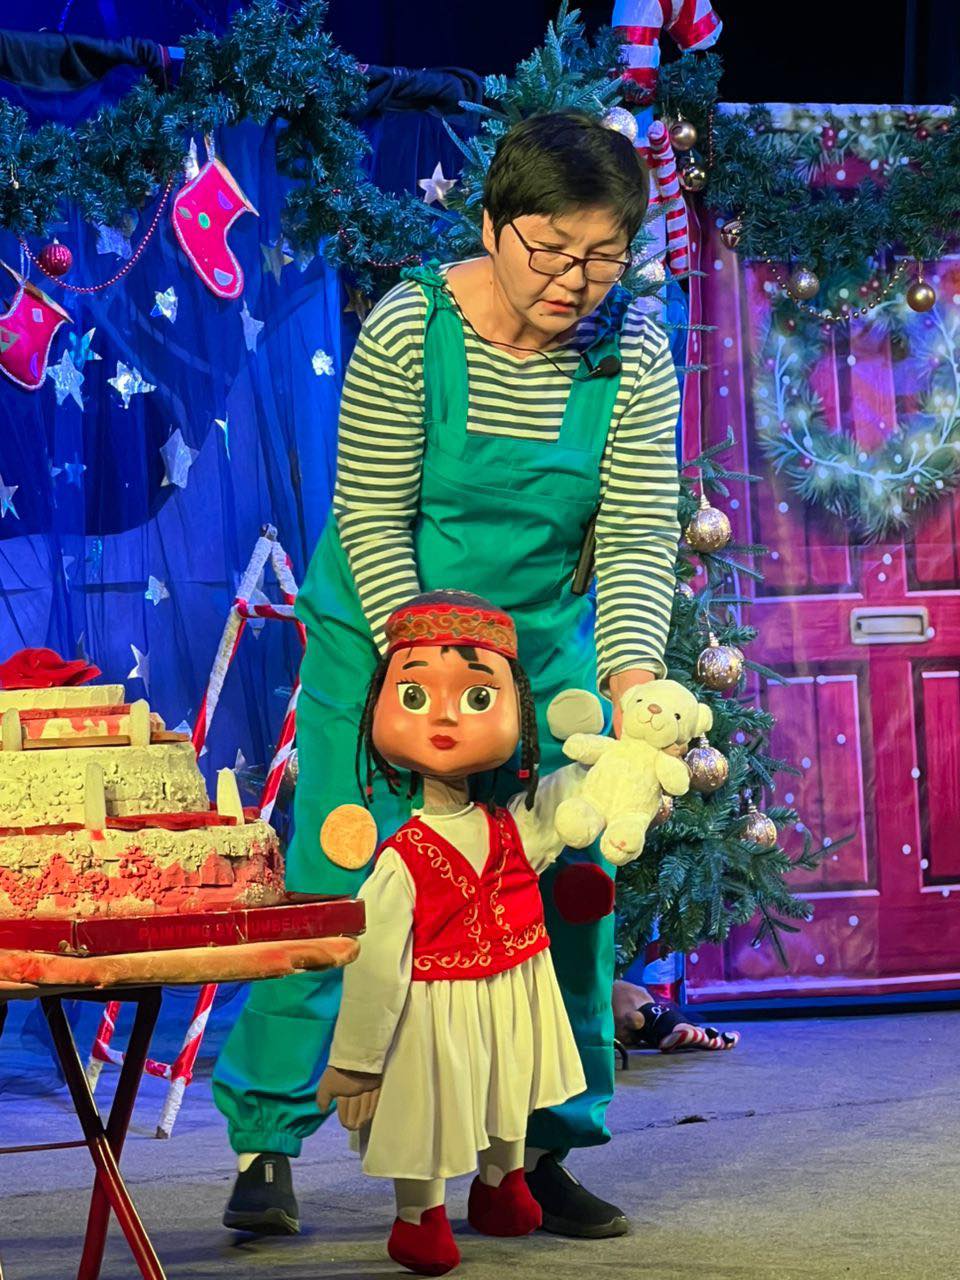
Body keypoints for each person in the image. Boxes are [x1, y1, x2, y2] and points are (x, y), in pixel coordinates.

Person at [213, 109, 681, 1239]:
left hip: (541, 655)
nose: (574, 281)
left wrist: (630, 682)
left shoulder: (633, 353)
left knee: (568, 892)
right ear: (490, 225)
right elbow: (372, 513)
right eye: (551, 250)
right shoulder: (411, 326)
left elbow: (634, 535)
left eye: (602, 256)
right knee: (342, 877)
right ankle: (268, 1139)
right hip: (386, 645)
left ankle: (539, 1150)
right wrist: (430, 679)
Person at [317, 591, 594, 1275]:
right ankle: (420, 1214)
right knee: (429, 1112)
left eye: (476, 698)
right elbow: (375, 963)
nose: (443, 716)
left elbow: (567, 801)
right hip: (433, 1010)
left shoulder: (511, 825)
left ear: (516, 708)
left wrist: (622, 768)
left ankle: (501, 1182)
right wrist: (359, 1059)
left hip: (509, 994)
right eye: (414, 697)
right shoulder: (401, 860)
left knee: (508, 1091)